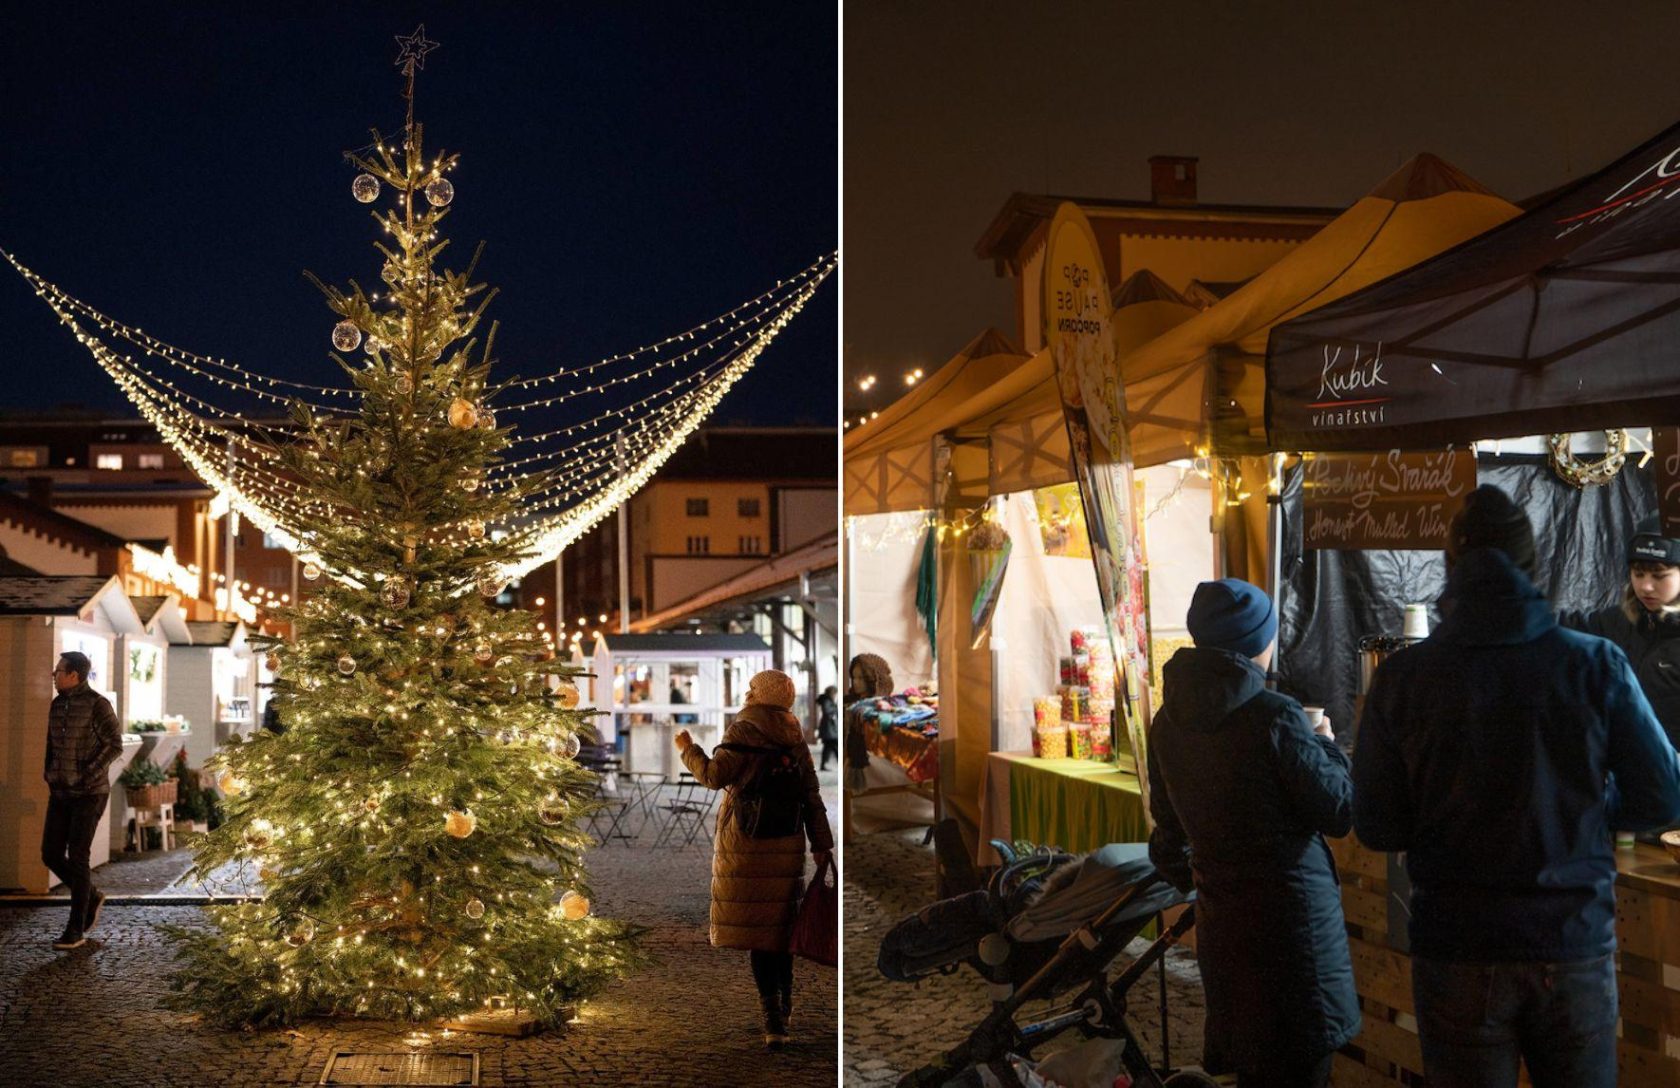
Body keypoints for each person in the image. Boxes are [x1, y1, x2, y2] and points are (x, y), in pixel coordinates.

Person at [1355, 485, 1680, 1088]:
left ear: (1451, 567)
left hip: (1456, 946)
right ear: (1531, 567)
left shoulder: (1402, 677)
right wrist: (1586, 807)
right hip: (1570, 940)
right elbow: (1661, 796)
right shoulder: (1593, 662)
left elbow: (1377, 824)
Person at [1147, 578, 1359, 1088]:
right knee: (1303, 1067)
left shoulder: (1166, 721)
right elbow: (1339, 811)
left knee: (1255, 1067)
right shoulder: (1275, 716)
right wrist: (1325, 745)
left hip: (1225, 931)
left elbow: (1167, 837)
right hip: (1294, 937)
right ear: (1259, 641)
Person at [675, 668, 833, 1050]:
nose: (746, 692)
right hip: (789, 842)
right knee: (781, 932)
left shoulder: (744, 730)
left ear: (761, 695)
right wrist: (822, 843)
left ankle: (773, 1020)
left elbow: (713, 776)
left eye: (751, 688)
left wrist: (687, 748)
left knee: (760, 937)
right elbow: (811, 795)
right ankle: (786, 1006)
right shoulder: (794, 735)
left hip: (748, 844)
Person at [1560, 516, 1680, 748]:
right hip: (1627, 771)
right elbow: (1562, 627)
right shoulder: (1619, 620)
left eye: (1659, 575)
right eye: (1638, 573)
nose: (1645, 586)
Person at [42, 650, 124, 951]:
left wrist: (87, 773)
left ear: (74, 674)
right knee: (50, 853)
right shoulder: (56, 704)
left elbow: (114, 745)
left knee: (78, 857)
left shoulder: (97, 704)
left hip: (90, 793)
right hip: (60, 791)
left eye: (59, 671)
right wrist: (48, 772)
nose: (54, 675)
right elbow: (51, 743)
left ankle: (75, 929)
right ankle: (91, 894)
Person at [816, 685, 839, 771]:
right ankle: (840, 764)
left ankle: (823, 765)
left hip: (828, 728)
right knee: (835, 746)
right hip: (829, 728)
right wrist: (835, 708)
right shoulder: (827, 701)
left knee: (828, 747)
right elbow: (827, 711)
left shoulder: (827, 700)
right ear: (832, 693)